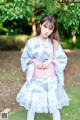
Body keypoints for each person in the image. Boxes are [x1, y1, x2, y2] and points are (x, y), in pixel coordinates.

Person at [16, 15, 69, 120]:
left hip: (51, 80)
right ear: (40, 25)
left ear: (53, 30)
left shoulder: (54, 44)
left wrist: (51, 60)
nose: (47, 31)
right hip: (36, 79)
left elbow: (63, 60)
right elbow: (24, 58)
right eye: (45, 26)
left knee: (54, 107)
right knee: (32, 107)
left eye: (50, 28)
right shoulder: (31, 42)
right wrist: (34, 60)